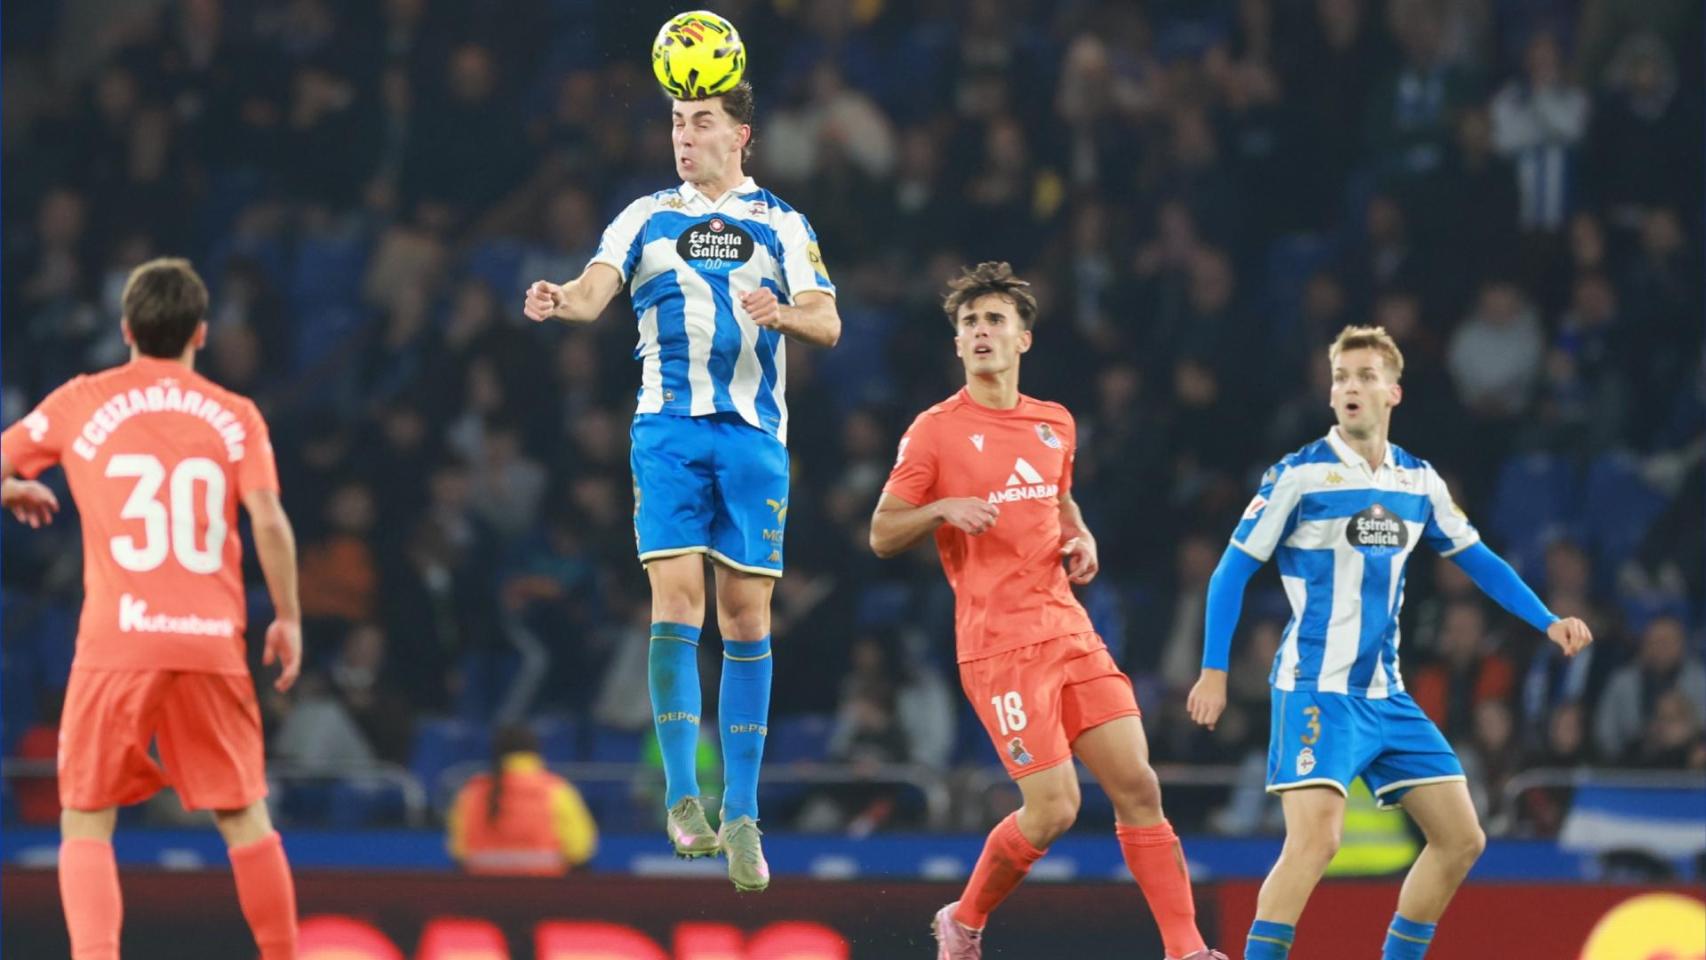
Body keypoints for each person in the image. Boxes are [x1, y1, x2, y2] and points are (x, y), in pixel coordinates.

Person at [1186, 325, 1593, 960]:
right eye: (1341, 378)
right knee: (1315, 842)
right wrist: (1213, 670)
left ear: (1393, 392)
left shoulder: (1419, 481)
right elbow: (1230, 571)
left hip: (1387, 695)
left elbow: (1478, 558)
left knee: (1462, 839)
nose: (1350, 387)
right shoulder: (1299, 475)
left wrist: (1547, 620)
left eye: (1365, 376)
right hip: (1316, 688)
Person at [522, 80, 840, 892]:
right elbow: (596, 293)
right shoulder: (643, 216)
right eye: (675, 122)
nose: (684, 136)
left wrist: (784, 313)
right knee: (673, 604)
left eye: (702, 123)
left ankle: (742, 812)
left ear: (742, 137)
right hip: (666, 432)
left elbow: (827, 320)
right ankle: (681, 800)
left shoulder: (782, 223)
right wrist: (562, 299)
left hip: (754, 439)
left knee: (745, 614)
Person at [870, 262, 1225, 960]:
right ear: (957, 343)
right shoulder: (935, 432)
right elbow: (882, 530)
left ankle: (1187, 952)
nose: (980, 332)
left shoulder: (1054, 423)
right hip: (998, 646)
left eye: (994, 320)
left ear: (1023, 340)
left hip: (1067, 628)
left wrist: (1079, 532)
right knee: (1056, 807)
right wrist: (940, 507)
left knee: (1139, 784)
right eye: (969, 322)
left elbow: (1057, 496)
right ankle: (964, 922)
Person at [0, 258, 304, 960]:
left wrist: (10, 490)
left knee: (86, 820)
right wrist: (286, 617)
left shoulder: (80, 400)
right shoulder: (236, 415)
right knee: (245, 818)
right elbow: (270, 522)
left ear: (126, 329)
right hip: (209, 641)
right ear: (200, 334)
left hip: (119, 641)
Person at [448, 724, 597, 876]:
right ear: (536, 752)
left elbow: (459, 852)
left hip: (482, 892)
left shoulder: (472, 793)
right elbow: (579, 850)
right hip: (545, 891)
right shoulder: (557, 790)